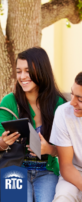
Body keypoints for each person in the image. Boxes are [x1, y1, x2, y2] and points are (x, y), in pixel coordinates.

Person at [0, 47, 67, 202]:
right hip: (14, 168)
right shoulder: (9, 101)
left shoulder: (58, 104)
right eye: (19, 71)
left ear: (41, 70)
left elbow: (66, 149)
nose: (22, 76)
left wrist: (49, 149)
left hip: (47, 171)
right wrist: (3, 141)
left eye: (28, 71)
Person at [50, 72, 82, 202]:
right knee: (63, 198)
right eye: (72, 94)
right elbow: (66, 165)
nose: (72, 103)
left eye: (80, 99)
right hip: (74, 172)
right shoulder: (63, 113)